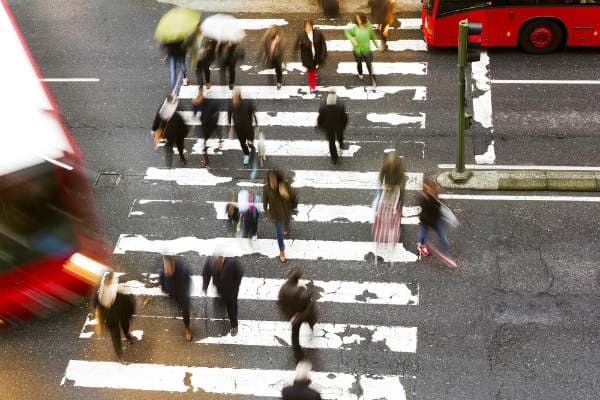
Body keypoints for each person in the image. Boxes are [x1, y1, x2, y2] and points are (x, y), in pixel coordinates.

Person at [93, 272, 136, 363]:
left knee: (125, 326)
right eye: (106, 281)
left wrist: (129, 312)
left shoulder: (118, 288)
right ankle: (119, 354)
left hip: (122, 313)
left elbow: (129, 300)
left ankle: (127, 335)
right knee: (115, 336)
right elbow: (95, 304)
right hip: (110, 318)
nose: (107, 284)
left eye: (109, 281)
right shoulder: (100, 292)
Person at [278, 267, 317, 362]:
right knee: (311, 320)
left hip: (292, 317)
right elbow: (308, 305)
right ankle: (311, 328)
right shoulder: (301, 291)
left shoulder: (283, 289)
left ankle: (298, 355)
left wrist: (288, 315)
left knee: (295, 335)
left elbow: (280, 303)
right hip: (302, 315)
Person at [202, 255, 243, 336]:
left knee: (232, 309)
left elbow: (239, 274)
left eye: (218, 267)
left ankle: (234, 325)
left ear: (222, 259)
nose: (216, 269)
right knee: (219, 306)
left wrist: (235, 287)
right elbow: (206, 273)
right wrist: (205, 286)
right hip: (220, 290)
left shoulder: (232, 263)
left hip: (231, 292)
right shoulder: (211, 262)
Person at [263, 170, 297, 263]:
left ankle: (286, 227)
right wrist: (265, 212)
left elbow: (293, 198)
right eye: (270, 180)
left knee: (287, 222)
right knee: (279, 234)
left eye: (274, 180)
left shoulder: (284, 185)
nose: (272, 183)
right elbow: (265, 201)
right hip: (276, 215)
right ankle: (282, 251)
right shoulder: (266, 189)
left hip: (286, 211)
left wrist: (285, 194)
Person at [372, 151, 407, 243]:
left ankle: (398, 218)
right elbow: (380, 176)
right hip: (388, 186)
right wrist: (383, 186)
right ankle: (386, 218)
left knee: (399, 203)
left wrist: (395, 192)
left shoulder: (399, 169)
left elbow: (401, 182)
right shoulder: (385, 166)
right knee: (384, 203)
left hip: (398, 187)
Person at [159, 255, 193, 341]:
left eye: (167, 268)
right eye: (165, 267)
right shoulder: (163, 271)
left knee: (185, 313)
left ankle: (187, 329)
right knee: (179, 309)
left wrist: (184, 293)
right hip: (173, 296)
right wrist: (165, 290)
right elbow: (162, 281)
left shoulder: (183, 271)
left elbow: (188, 283)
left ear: (173, 263)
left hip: (182, 297)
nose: (166, 271)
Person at [151, 94, 189, 168]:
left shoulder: (176, 110)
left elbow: (183, 124)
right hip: (168, 134)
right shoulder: (163, 110)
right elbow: (157, 119)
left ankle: (181, 157)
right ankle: (169, 165)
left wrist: (184, 133)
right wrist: (154, 129)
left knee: (180, 146)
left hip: (178, 133)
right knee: (169, 149)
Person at [345, 13, 379, 86]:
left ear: (362, 19)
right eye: (356, 18)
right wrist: (352, 39)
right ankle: (360, 74)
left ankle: (373, 80)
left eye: (359, 18)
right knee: (359, 63)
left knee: (369, 65)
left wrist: (377, 45)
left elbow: (373, 36)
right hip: (357, 50)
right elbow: (347, 32)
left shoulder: (368, 28)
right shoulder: (355, 28)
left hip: (367, 50)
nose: (357, 20)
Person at [417, 177, 448, 257]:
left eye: (432, 188)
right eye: (429, 188)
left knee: (443, 237)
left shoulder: (436, 197)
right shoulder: (424, 199)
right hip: (426, 221)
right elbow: (425, 213)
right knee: (422, 235)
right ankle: (421, 245)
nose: (431, 190)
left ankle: (445, 251)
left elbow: (439, 207)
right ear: (426, 189)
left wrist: (442, 215)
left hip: (435, 220)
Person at [317, 88, 348, 164]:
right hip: (339, 126)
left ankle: (334, 158)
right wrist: (344, 125)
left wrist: (319, 125)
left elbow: (320, 118)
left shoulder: (323, 106)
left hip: (328, 128)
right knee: (340, 136)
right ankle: (341, 144)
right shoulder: (340, 105)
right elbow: (344, 117)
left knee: (331, 142)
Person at [227, 88, 258, 165]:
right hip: (239, 129)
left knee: (250, 142)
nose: (234, 98)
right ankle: (246, 154)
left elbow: (253, 113)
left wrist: (257, 124)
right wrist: (230, 128)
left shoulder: (247, 103)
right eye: (234, 96)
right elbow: (229, 117)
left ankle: (251, 148)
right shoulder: (231, 105)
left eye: (235, 96)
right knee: (242, 143)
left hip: (248, 128)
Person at [295, 20, 327, 92]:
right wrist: (294, 54)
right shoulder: (301, 35)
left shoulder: (318, 33)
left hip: (317, 55)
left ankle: (315, 70)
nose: (308, 28)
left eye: (309, 26)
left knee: (316, 66)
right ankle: (312, 87)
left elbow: (323, 43)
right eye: (306, 26)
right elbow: (296, 45)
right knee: (310, 72)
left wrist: (323, 53)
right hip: (307, 58)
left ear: (312, 26)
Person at [192, 90, 221, 168]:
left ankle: (220, 140)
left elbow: (216, 110)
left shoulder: (210, 103)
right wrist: (195, 105)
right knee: (203, 144)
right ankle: (206, 159)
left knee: (217, 131)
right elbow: (194, 112)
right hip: (205, 126)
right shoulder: (198, 103)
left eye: (199, 97)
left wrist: (215, 118)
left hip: (211, 124)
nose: (197, 99)